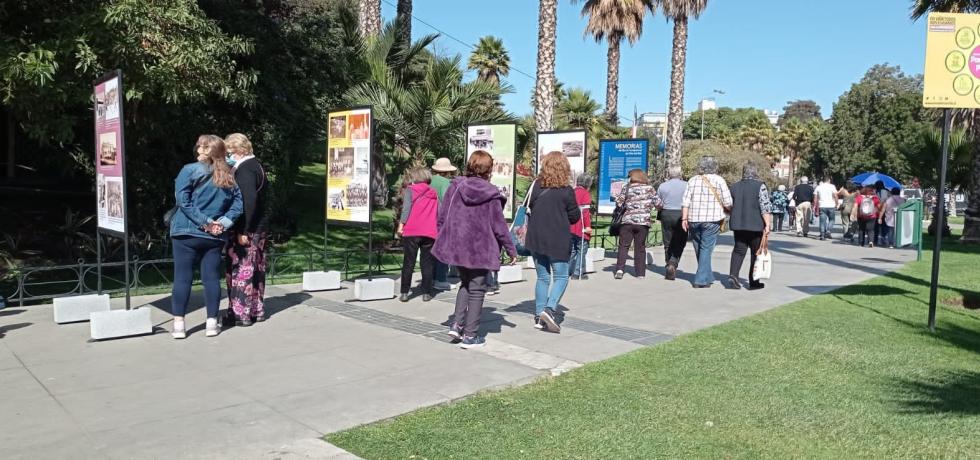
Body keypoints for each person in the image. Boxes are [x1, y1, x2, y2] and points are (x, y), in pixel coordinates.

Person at [432, 151, 517, 349]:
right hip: (480, 248)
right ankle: (470, 336)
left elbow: (443, 215)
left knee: (465, 283)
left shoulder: (456, 186)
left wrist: (442, 238)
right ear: (489, 169)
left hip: (459, 246)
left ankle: (457, 324)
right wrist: (511, 249)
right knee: (477, 289)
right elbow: (499, 226)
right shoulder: (492, 193)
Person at [169, 135, 243, 339]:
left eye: (202, 146)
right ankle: (211, 323)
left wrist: (206, 223)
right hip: (214, 236)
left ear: (210, 150)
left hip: (186, 231)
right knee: (211, 278)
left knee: (182, 278)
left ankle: (179, 326)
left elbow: (183, 201)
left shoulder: (189, 170)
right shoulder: (228, 175)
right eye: (199, 146)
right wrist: (222, 223)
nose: (198, 149)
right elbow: (238, 206)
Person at [525, 151, 581, 333]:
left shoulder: (535, 186)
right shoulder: (567, 191)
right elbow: (574, 217)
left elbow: (529, 207)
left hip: (536, 237)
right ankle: (549, 309)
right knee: (562, 276)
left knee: (542, 277)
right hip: (557, 239)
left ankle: (538, 314)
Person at [223, 133, 269, 327]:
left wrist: (243, 229)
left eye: (229, 151)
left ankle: (241, 314)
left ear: (240, 150)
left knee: (242, 270)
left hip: (248, 228)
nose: (227, 156)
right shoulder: (256, 165)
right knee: (256, 269)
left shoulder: (245, 170)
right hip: (259, 226)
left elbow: (248, 200)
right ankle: (256, 310)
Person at [682, 156, 733, 288]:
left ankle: (707, 275)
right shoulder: (719, 180)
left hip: (694, 219)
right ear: (715, 167)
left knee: (699, 247)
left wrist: (684, 218)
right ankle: (701, 279)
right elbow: (728, 201)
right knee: (706, 248)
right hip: (712, 219)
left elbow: (685, 201)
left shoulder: (692, 180)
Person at [727, 164, 773, 290]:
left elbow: (728, 205)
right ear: (755, 173)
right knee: (755, 252)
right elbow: (765, 207)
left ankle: (733, 275)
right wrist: (768, 224)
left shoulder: (734, 187)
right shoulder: (760, 186)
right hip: (755, 225)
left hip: (738, 224)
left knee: (738, 250)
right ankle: (754, 281)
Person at [397, 167, 439, 302]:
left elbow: (406, 209)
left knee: (408, 262)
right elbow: (438, 212)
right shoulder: (434, 193)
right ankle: (426, 292)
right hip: (429, 231)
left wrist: (401, 224)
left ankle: (404, 292)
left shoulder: (411, 190)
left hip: (412, 230)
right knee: (427, 263)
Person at [613, 169, 659, 280]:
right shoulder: (650, 189)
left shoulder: (627, 188)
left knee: (624, 246)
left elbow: (619, 203)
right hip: (643, 222)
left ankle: (619, 269)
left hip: (627, 221)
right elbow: (658, 203)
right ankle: (640, 273)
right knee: (640, 247)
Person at [656, 166, 688, 280]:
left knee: (667, 241)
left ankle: (668, 263)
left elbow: (657, 202)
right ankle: (673, 263)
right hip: (681, 214)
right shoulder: (686, 185)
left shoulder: (662, 186)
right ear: (680, 173)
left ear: (669, 174)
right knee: (681, 240)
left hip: (666, 214)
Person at [430, 157, 457, 291]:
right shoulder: (446, 183)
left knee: (433, 250)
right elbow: (448, 202)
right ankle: (441, 279)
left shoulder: (430, 180)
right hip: (443, 220)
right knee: (443, 249)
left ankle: (433, 277)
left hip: (429, 220)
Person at [569, 174, 594, 280]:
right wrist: (588, 226)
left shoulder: (572, 192)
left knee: (572, 250)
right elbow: (585, 213)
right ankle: (578, 272)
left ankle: (567, 271)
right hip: (581, 227)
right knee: (581, 250)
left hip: (570, 226)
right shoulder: (585, 194)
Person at [814, 176, 839, 241]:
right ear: (828, 180)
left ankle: (822, 235)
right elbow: (835, 195)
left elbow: (815, 197)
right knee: (832, 219)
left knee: (822, 221)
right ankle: (828, 230)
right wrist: (836, 203)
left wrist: (815, 205)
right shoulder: (832, 186)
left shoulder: (819, 187)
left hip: (822, 205)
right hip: (831, 205)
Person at [874, 181, 889, 246]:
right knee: (882, 226)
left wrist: (879, 204)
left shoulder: (882, 191)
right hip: (880, 210)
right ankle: (879, 239)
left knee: (880, 225)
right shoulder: (879, 191)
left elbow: (883, 199)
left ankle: (879, 240)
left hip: (881, 210)